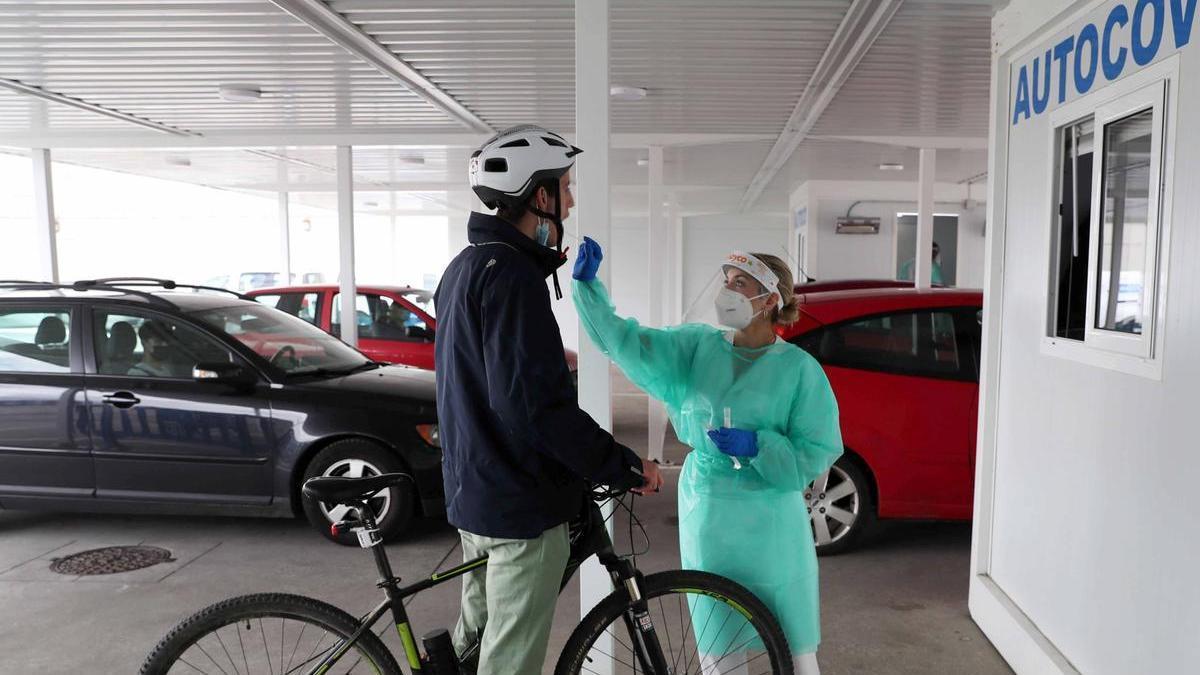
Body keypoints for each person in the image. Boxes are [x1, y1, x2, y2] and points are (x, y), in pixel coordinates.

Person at [433, 124, 663, 674]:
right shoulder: (513, 276)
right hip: (518, 507)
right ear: (541, 196)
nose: (573, 197)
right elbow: (532, 406)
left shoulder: (464, 268)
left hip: (475, 493)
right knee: (508, 664)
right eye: (567, 184)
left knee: (475, 651)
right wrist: (621, 463)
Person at [572, 239, 843, 675]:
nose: (728, 292)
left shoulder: (799, 370)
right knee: (718, 633)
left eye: (741, 283)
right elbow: (630, 344)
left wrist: (761, 446)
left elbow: (817, 451)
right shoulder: (697, 348)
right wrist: (588, 289)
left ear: (770, 299)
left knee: (790, 634)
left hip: (771, 515)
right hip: (709, 504)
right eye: (726, 281)